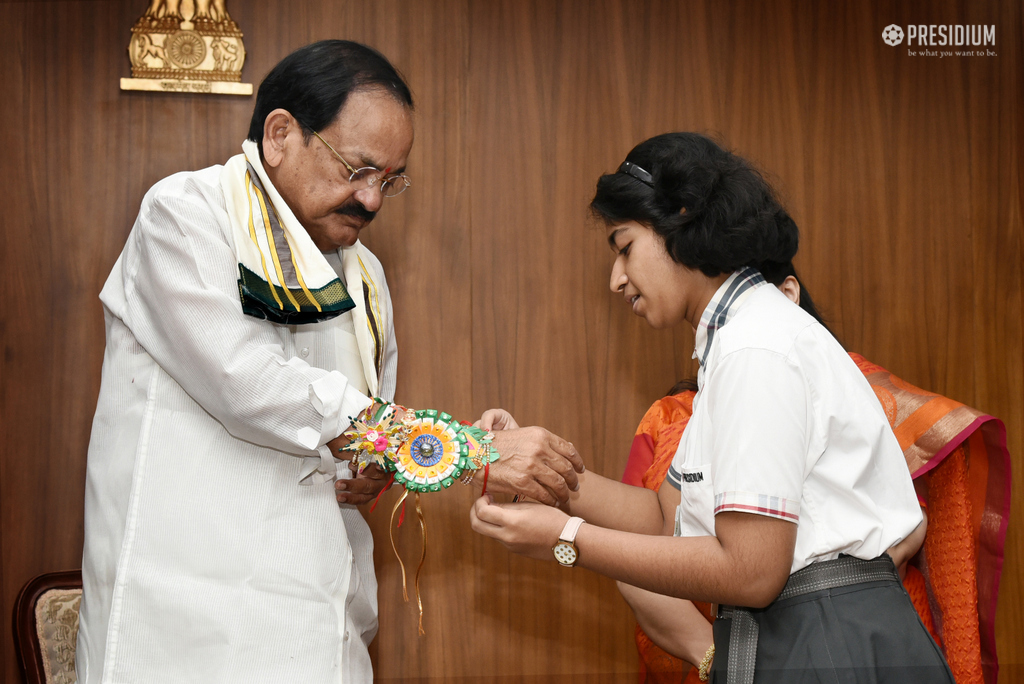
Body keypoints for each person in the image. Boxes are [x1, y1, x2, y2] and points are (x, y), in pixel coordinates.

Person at [77, 40, 582, 684]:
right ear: (282, 134)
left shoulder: (365, 275)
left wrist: (381, 467)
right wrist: (457, 447)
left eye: (390, 181)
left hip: (318, 626)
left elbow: (354, 436)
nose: (371, 200)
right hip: (188, 628)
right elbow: (252, 385)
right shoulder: (186, 214)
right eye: (357, 169)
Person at [470, 132, 956, 683]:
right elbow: (664, 517)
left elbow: (752, 573)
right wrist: (540, 465)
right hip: (808, 638)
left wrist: (566, 540)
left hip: (825, 642)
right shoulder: (737, 343)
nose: (616, 280)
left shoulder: (756, 346)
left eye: (624, 247)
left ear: (681, 218)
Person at [620, 264, 1010, 684]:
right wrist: (715, 653)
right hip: (751, 640)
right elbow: (653, 533)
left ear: (789, 294)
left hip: (844, 631)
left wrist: (827, 585)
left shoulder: (837, 385)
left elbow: (906, 527)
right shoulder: (679, 414)